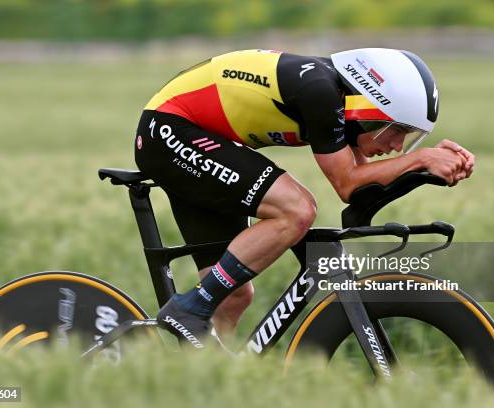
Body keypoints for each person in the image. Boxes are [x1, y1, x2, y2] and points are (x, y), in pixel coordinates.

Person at [134, 48, 474, 348]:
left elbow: (362, 194)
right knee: (296, 210)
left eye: (408, 138)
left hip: (191, 136)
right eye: (398, 130)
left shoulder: (336, 97)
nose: (398, 146)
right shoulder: (321, 94)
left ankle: (198, 378)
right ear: (372, 106)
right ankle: (191, 306)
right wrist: (420, 159)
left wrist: (424, 173)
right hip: (170, 130)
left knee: (233, 295)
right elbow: (347, 183)